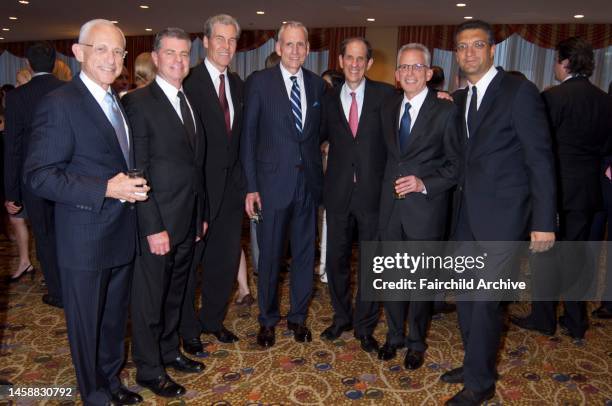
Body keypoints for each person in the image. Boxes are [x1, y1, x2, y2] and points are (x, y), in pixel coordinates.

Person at [23, 19, 149, 405]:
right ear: (78, 53)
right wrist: (106, 188)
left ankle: (111, 382)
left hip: (120, 233)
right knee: (87, 326)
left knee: (113, 322)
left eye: (118, 51)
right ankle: (93, 393)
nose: (111, 59)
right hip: (84, 238)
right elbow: (39, 176)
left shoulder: (117, 101)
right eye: (101, 49)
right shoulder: (60, 103)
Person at [441, 20, 556, 405]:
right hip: (465, 216)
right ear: (455, 54)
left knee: (486, 302)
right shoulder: (460, 99)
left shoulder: (519, 92)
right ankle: (478, 363)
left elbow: (541, 160)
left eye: (476, 45)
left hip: (504, 218)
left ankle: (479, 384)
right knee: (466, 298)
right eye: (461, 47)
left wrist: (543, 222)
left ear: (492, 50)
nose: (468, 53)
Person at [123, 27, 206, 398]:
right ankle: (148, 367)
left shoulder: (187, 100)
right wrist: (152, 226)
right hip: (157, 222)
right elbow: (136, 171)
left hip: (187, 219)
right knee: (149, 299)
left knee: (177, 293)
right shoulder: (138, 103)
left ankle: (170, 351)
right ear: (155, 58)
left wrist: (199, 213)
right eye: (170, 53)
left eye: (185, 54)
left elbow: (194, 165)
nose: (178, 60)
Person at [511, 37, 612, 338]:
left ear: (566, 62)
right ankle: (575, 319)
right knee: (577, 256)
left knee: (544, 256)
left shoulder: (553, 97)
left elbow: (540, 147)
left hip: (555, 190)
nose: (555, 65)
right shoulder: (605, 100)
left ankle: (543, 318)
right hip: (588, 190)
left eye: (556, 59)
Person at [241, 21, 326, 348]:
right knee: (270, 256)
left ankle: (298, 318)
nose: (294, 51)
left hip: (308, 187)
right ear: (278, 47)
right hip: (269, 189)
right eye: (288, 44)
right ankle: (267, 319)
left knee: (306, 256)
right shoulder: (259, 83)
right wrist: (250, 186)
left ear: (307, 48)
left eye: (300, 45)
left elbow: (319, 133)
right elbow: (248, 139)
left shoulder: (318, 87)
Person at [376, 43, 460, 370]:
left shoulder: (446, 110)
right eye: (404, 67)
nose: (410, 73)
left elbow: (456, 166)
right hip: (390, 210)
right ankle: (394, 336)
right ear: (397, 75)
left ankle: (416, 342)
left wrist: (424, 183)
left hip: (425, 210)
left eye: (417, 67)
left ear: (428, 73)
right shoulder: (387, 108)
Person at [318, 37, 395, 354]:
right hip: (337, 194)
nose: (354, 64)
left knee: (372, 265)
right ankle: (342, 317)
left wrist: (442, 98)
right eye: (349, 57)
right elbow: (316, 136)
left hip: (373, 195)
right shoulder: (327, 98)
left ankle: (365, 325)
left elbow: (410, 119)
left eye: (360, 59)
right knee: (335, 261)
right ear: (340, 60)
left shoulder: (387, 95)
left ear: (369, 63)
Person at [179, 14, 245, 353]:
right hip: (199, 194)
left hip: (232, 194)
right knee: (191, 267)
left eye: (232, 40)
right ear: (204, 42)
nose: (227, 46)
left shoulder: (237, 84)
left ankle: (213, 321)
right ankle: (188, 328)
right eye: (220, 38)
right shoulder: (188, 83)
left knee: (224, 262)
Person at [3, 42, 65, 309]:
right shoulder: (69, 91)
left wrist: (11, 193)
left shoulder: (17, 97)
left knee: (45, 236)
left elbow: (13, 148)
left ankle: (57, 292)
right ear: (54, 63)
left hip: (34, 180)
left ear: (28, 65)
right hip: (68, 177)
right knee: (67, 233)